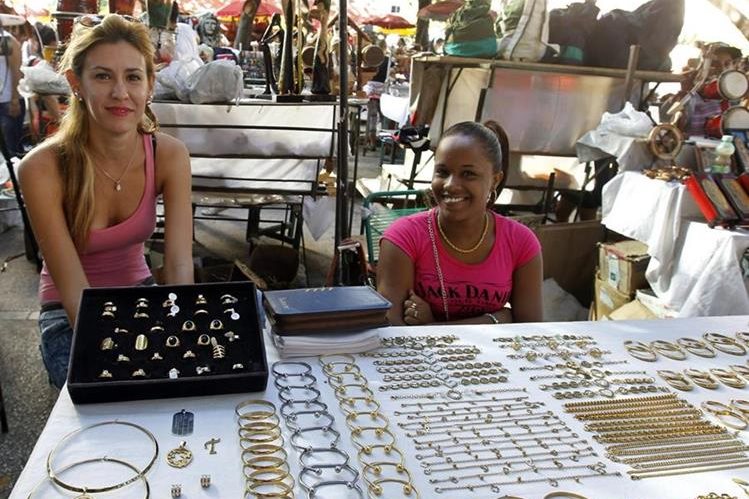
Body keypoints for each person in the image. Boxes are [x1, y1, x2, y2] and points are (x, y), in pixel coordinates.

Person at [18, 14, 194, 388]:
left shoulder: (170, 155)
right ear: (75, 83)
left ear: (149, 85)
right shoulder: (42, 169)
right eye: (102, 76)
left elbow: (178, 266)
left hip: (142, 298)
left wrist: (182, 336)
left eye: (133, 77)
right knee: (110, 396)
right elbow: (75, 295)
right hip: (68, 313)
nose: (120, 92)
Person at [377, 120, 543, 325]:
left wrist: (431, 327)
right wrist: (496, 319)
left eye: (468, 174)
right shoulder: (403, 238)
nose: (451, 185)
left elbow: (530, 332)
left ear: (495, 180)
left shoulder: (521, 242)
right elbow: (392, 332)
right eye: (443, 172)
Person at [0, 22, 25, 158]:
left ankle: (19, 177)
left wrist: (14, 99)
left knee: (12, 149)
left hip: (8, 101)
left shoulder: (7, 40)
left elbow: (16, 71)